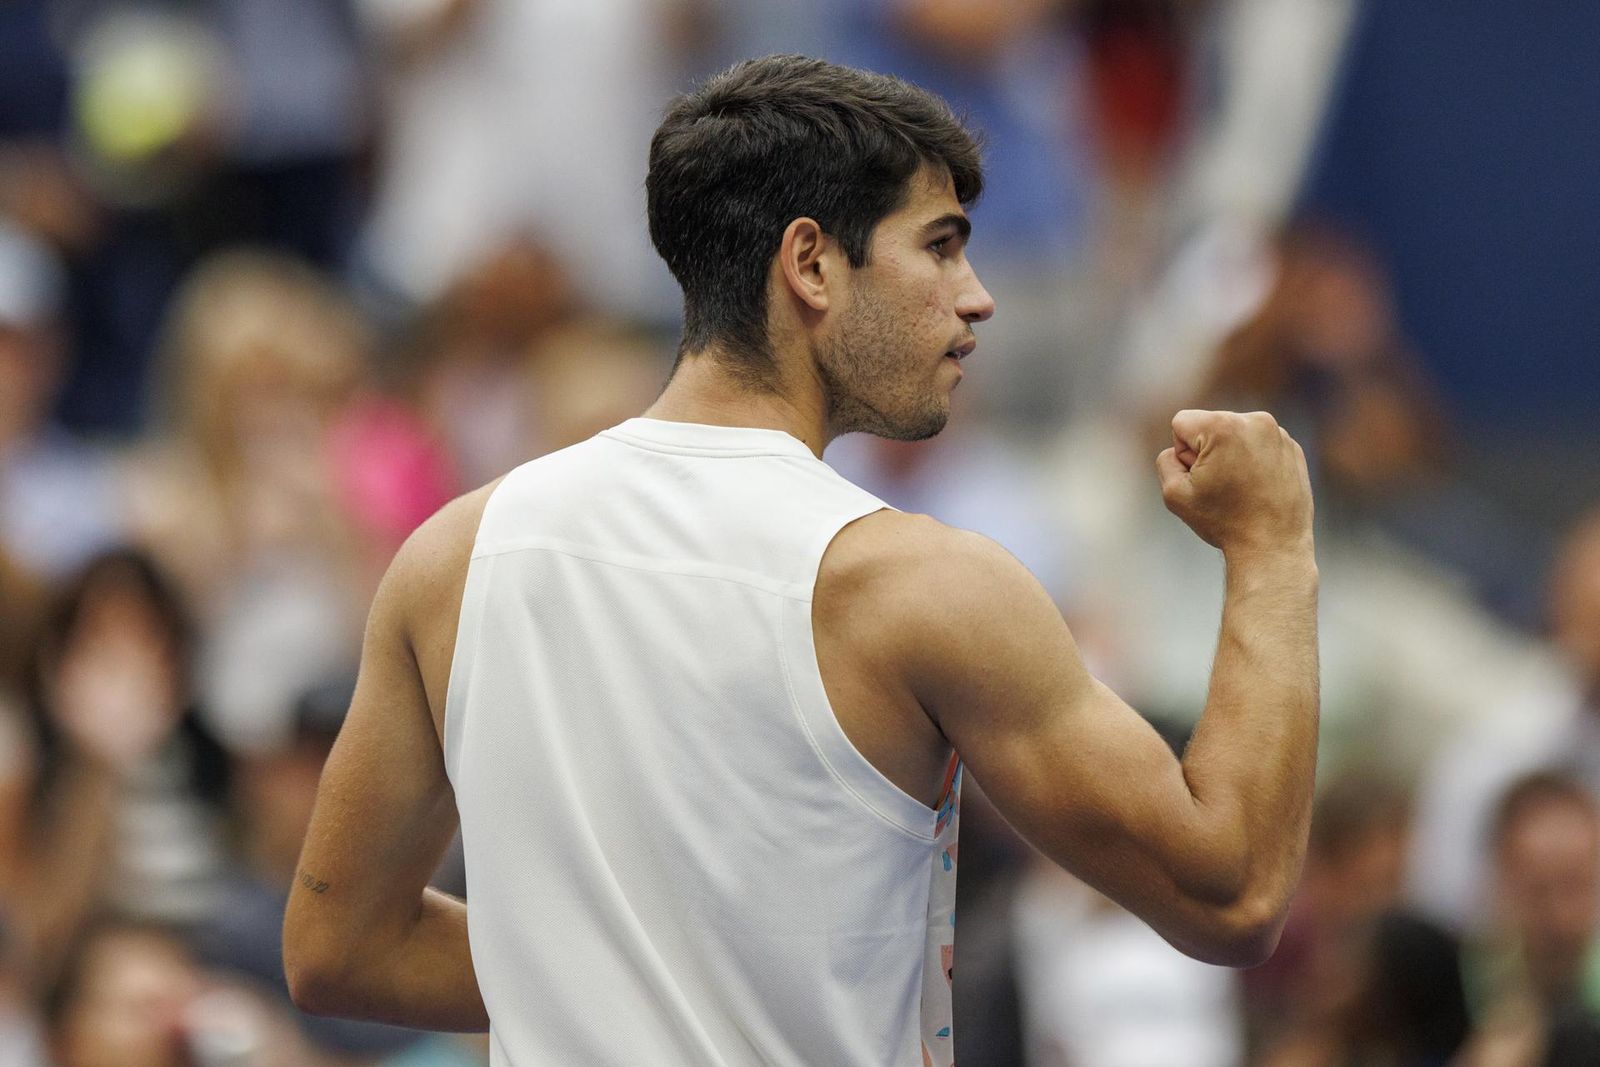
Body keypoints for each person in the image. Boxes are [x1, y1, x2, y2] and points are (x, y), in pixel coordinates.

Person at [283, 55, 1319, 1064]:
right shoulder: (922, 585)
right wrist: (1270, 547)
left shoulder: (451, 557)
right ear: (811, 263)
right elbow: (1228, 889)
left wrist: (606, 973)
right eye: (942, 247)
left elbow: (343, 946)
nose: (977, 297)